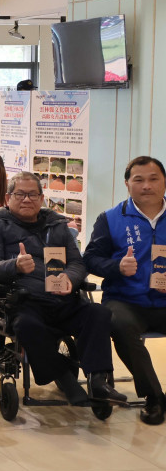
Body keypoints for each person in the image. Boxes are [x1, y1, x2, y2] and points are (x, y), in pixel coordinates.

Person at [0, 172, 126, 406]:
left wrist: (70, 278)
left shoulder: (56, 224)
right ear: (8, 197)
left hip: (64, 299)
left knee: (98, 313)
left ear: (42, 197)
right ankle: (64, 378)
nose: (27, 199)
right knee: (27, 326)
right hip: (24, 301)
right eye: (20, 194)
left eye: (33, 194)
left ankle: (98, 381)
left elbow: (78, 263)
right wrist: (13, 265)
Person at [84, 156, 166, 424]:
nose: (147, 186)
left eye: (154, 179)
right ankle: (154, 398)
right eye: (138, 180)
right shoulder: (110, 218)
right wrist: (116, 266)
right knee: (119, 324)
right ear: (127, 184)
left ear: (164, 182)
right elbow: (91, 259)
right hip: (125, 299)